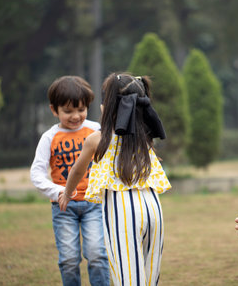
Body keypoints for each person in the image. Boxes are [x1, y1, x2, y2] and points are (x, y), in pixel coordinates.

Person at [59, 73, 171, 286]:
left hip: (121, 209)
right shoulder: (145, 135)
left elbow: (77, 170)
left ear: (107, 106)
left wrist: (67, 193)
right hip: (153, 207)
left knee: (128, 277)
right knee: (149, 276)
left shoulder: (97, 139)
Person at [30, 76, 109, 286]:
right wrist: (57, 192)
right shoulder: (49, 137)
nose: (76, 116)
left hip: (94, 204)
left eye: (81, 110)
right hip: (63, 207)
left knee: (97, 255)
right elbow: (37, 173)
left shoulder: (97, 131)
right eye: (68, 111)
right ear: (54, 110)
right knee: (69, 260)